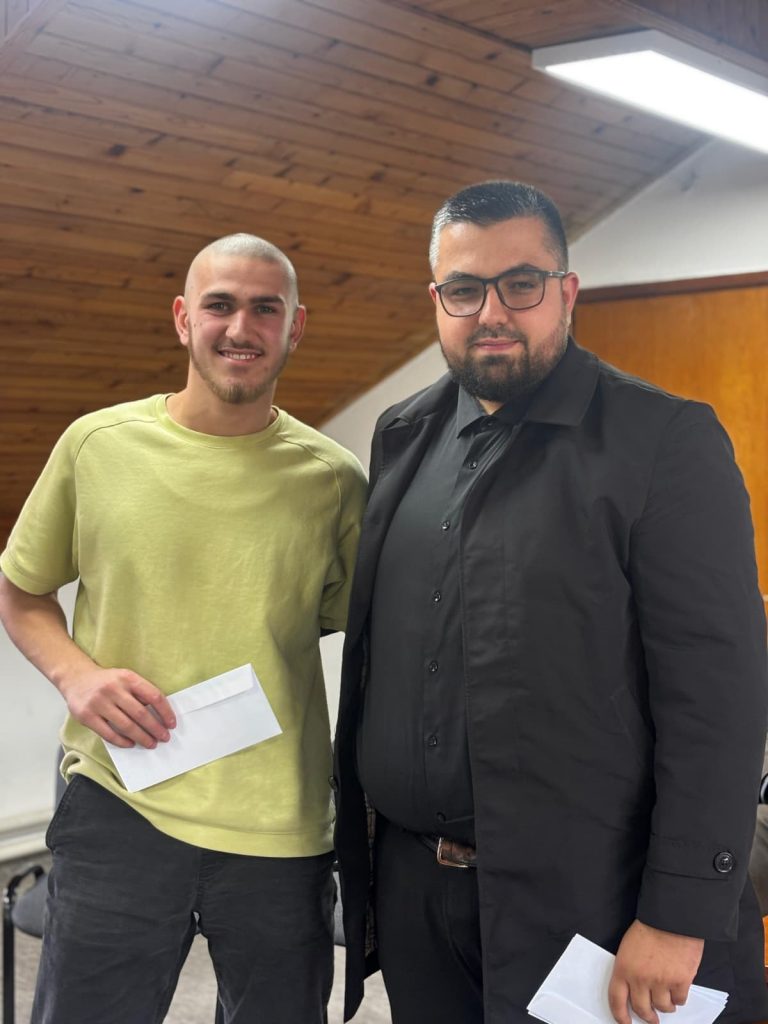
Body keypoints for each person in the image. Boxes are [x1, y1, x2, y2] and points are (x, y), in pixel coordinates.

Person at [332, 181, 768, 1024]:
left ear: (567, 292)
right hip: (419, 896)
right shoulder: (402, 434)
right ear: (437, 300)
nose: (492, 311)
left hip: (595, 897)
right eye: (465, 289)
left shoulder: (664, 441)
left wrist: (678, 913)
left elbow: (719, 698)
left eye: (521, 284)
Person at [0, 233, 367, 1024]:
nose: (241, 327)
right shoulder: (96, 446)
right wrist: (76, 675)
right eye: (219, 305)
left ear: (296, 327)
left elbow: (362, 629)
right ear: (182, 318)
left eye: (265, 309)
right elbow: (22, 590)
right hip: (119, 805)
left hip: (281, 829)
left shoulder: (335, 481)